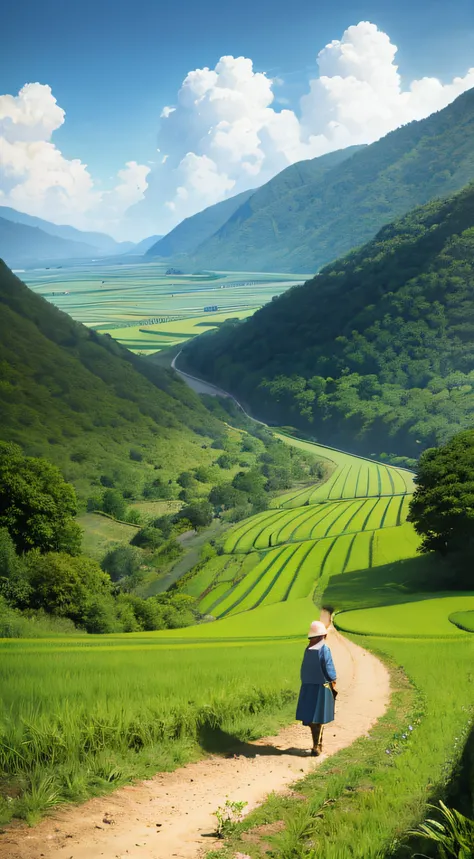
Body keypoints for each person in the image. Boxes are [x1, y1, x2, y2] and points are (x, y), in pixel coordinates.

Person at [296, 620, 337, 756]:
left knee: (311, 718)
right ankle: (317, 746)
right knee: (320, 717)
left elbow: (303, 669)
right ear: (322, 636)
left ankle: (317, 744)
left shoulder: (308, 650)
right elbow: (328, 667)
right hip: (321, 687)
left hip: (307, 687)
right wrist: (333, 681)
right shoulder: (324, 649)